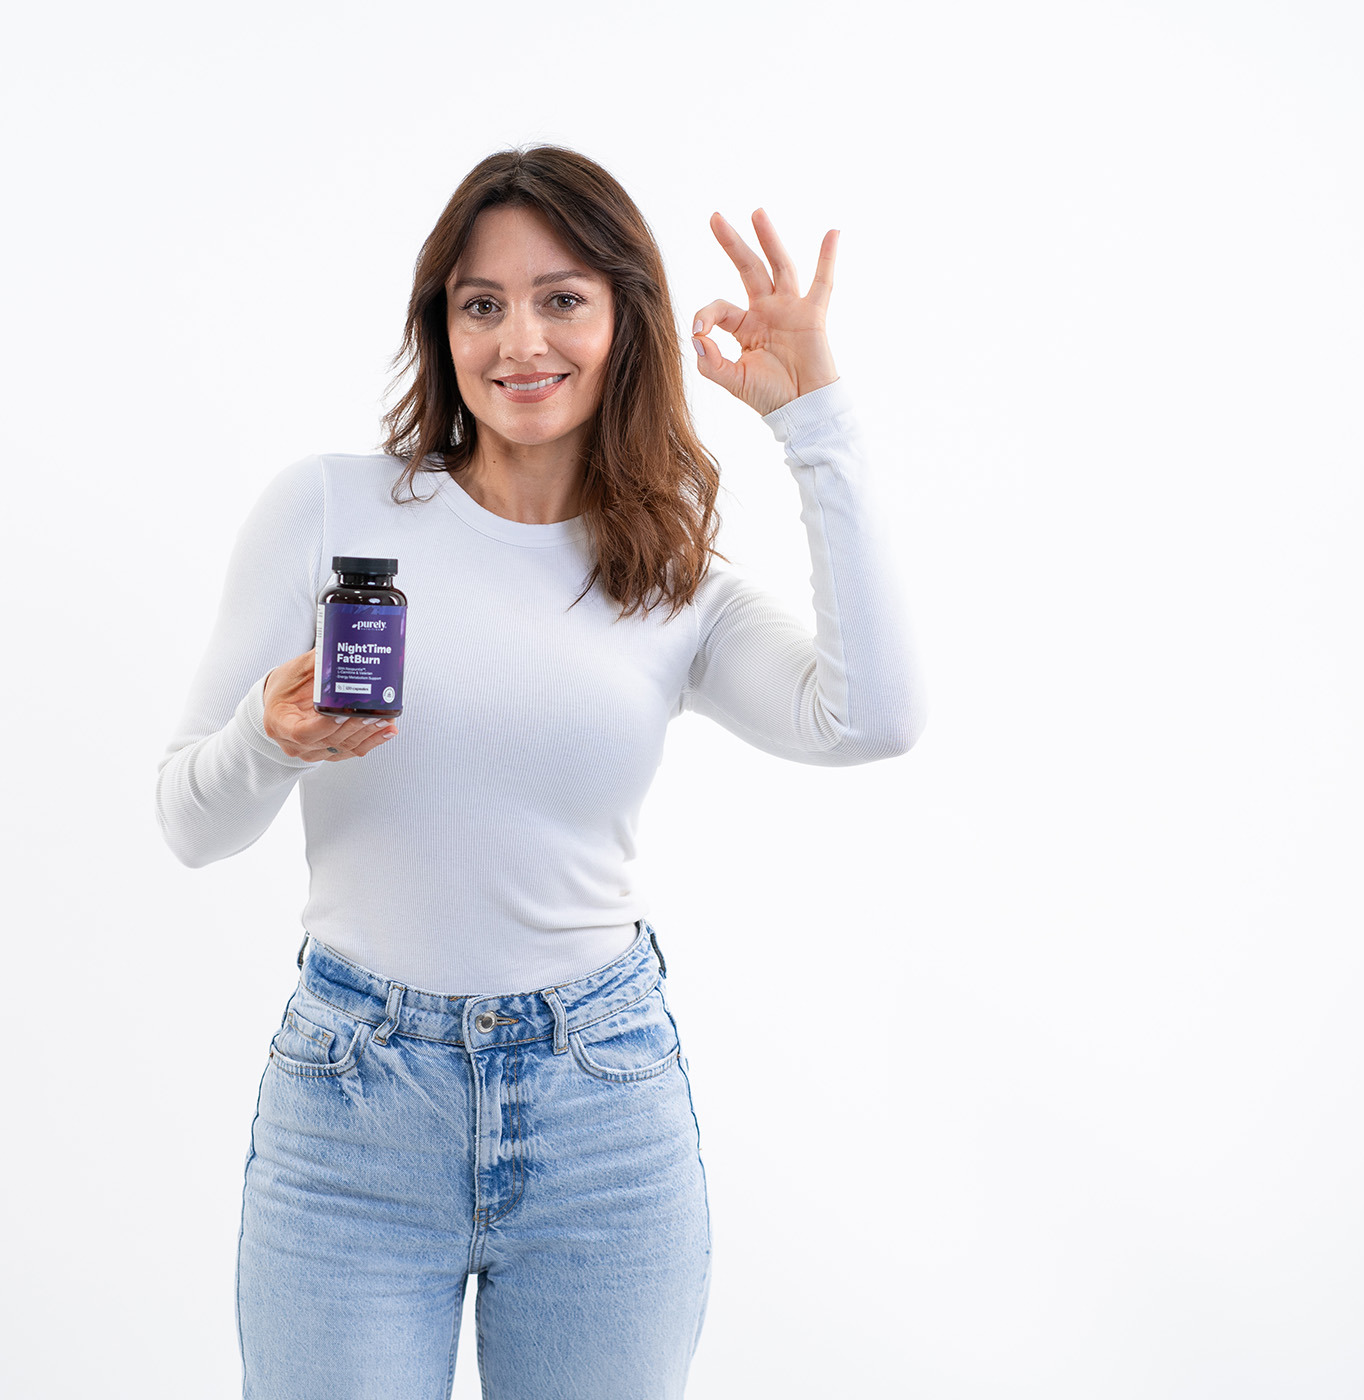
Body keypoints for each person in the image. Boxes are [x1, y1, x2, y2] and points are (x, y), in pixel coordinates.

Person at [156, 145, 924, 1400]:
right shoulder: (328, 512)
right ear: (442, 326)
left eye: (562, 297)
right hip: (354, 1112)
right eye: (482, 303)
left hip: (601, 1110)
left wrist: (815, 423)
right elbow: (189, 824)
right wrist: (266, 738)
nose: (521, 339)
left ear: (626, 320)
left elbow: (873, 716)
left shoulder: (672, 575)